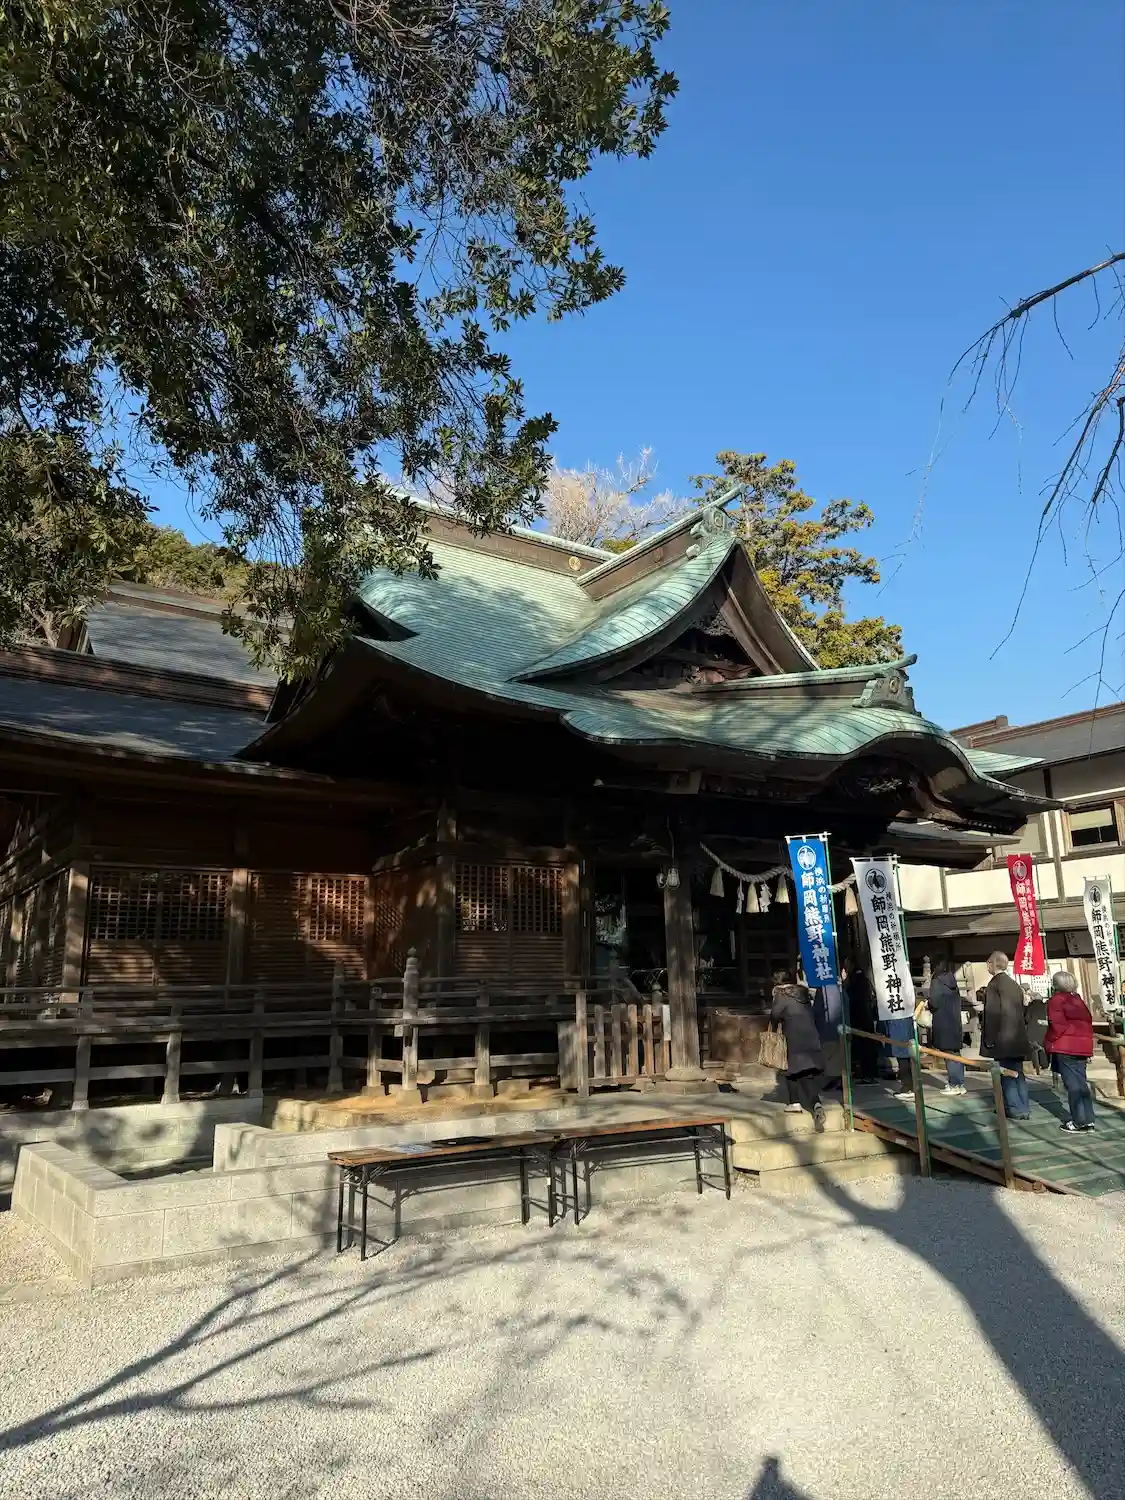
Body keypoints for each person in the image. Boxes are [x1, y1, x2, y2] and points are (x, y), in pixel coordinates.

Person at [770, 970, 828, 1132]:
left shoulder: (782, 995)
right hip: (810, 1035)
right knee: (802, 1072)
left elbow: (775, 1015)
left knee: (792, 1069)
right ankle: (811, 1104)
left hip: (794, 1036)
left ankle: (799, 1103)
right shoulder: (802, 993)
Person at [980, 951, 1033, 1119]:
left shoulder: (994, 985)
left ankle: (1013, 1108)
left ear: (991, 964)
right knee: (1018, 1074)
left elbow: (992, 1014)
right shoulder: (1014, 984)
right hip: (1018, 1035)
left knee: (1006, 1073)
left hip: (1002, 1038)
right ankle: (1024, 1107)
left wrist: (989, 1039)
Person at [1043, 970, 1096, 1132]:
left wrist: (1048, 1041)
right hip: (1082, 1047)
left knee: (1072, 1085)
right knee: (1081, 1084)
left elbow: (1057, 1026)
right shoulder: (1078, 1000)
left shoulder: (1056, 1000)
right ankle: (1088, 1119)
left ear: (1056, 985)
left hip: (1065, 1047)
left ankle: (1079, 1121)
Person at [927, 959, 967, 1095]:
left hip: (943, 1021)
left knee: (948, 1054)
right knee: (955, 1053)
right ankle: (960, 1083)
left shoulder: (936, 980)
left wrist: (928, 1005)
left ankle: (954, 1084)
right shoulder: (952, 980)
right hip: (954, 1020)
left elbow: (934, 1002)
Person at [842, 958, 879, 1083]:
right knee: (866, 1046)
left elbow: (852, 997)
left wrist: (845, 983)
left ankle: (867, 1074)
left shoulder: (856, 979)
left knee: (864, 1047)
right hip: (865, 1016)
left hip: (860, 1016)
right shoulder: (862, 978)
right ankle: (867, 1073)